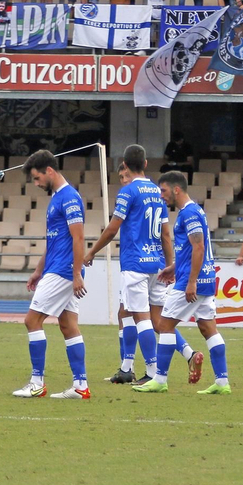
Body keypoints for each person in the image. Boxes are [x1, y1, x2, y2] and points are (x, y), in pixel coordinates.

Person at [83, 145, 187, 386]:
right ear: (146, 164)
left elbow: (112, 229)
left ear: (125, 165)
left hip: (135, 263)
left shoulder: (128, 192)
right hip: (157, 265)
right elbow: (166, 235)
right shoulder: (158, 191)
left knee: (142, 319)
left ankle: (152, 373)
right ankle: (130, 368)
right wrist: (169, 265)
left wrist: (92, 252)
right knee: (147, 317)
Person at [133, 171, 231, 395]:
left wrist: (191, 282)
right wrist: (174, 267)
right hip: (205, 278)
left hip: (192, 280)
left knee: (164, 325)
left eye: (164, 191)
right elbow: (191, 249)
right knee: (208, 328)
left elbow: (199, 247)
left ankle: (159, 380)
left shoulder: (189, 213)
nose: (161, 196)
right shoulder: (196, 211)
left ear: (176, 189)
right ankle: (222, 383)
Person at [12, 150, 91, 400]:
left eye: (37, 178)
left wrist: (76, 273)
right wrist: (38, 270)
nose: (36, 184)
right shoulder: (57, 197)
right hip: (57, 268)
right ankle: (80, 386)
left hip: (63, 271)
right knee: (68, 326)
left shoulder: (69, 198)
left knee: (32, 321)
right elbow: (55, 240)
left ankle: (37, 383)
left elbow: (79, 237)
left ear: (49, 171)